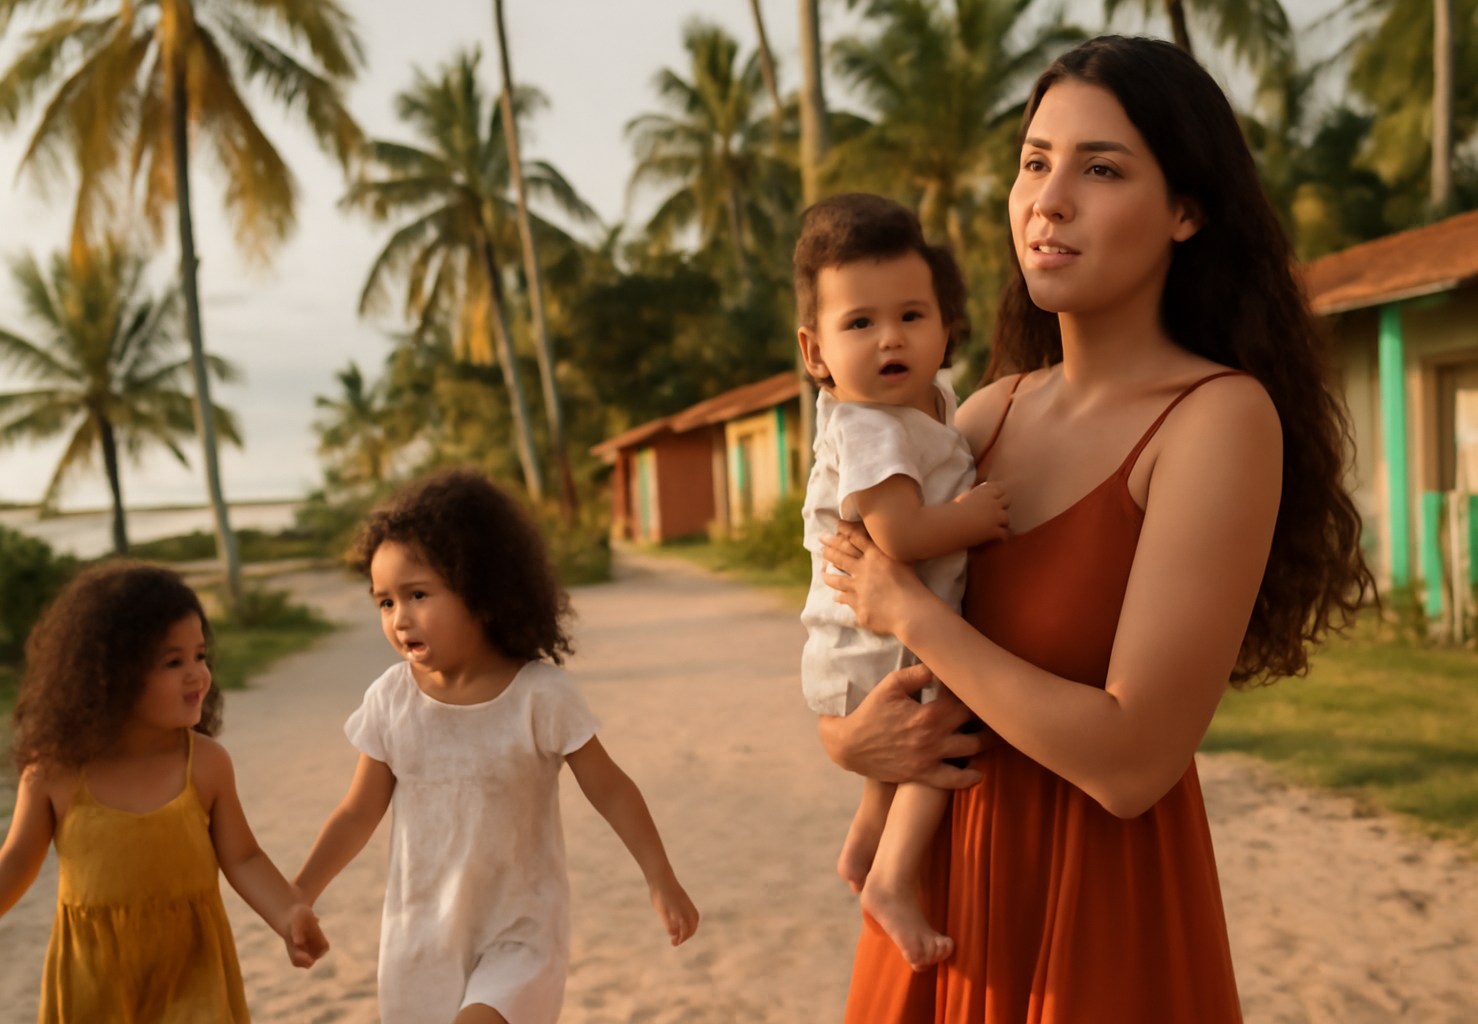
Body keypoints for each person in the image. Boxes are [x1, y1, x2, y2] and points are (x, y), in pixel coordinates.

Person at [817, 36, 1371, 1020]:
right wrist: (849, 741)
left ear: (1187, 211)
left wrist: (916, 613)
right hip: (934, 920)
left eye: (1100, 168)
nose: (1048, 198)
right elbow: (850, 621)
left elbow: (1131, 761)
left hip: (1095, 922)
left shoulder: (1216, 419)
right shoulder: (981, 416)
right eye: (1035, 162)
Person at [293, 468, 699, 1024]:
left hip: (520, 934)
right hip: (420, 938)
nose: (399, 618)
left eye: (417, 594)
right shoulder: (389, 699)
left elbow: (611, 790)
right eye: (384, 602)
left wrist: (660, 876)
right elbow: (357, 812)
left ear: (482, 593)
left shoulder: (540, 696)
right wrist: (299, 894)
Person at [795, 193, 1010, 971]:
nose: (890, 338)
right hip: (872, 634)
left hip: (873, 633)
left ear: (947, 327)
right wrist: (977, 517)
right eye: (859, 324)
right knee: (940, 735)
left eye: (911, 316)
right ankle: (892, 878)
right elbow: (900, 534)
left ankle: (861, 846)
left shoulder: (927, 405)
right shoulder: (868, 428)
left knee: (906, 744)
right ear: (815, 351)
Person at [0, 562, 327, 1024]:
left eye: (200, 655)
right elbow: (16, 862)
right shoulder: (55, 772)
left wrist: (288, 912)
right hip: (94, 981)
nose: (197, 674)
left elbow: (244, 857)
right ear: (109, 676)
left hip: (193, 972)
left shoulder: (206, 764)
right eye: (173, 662)